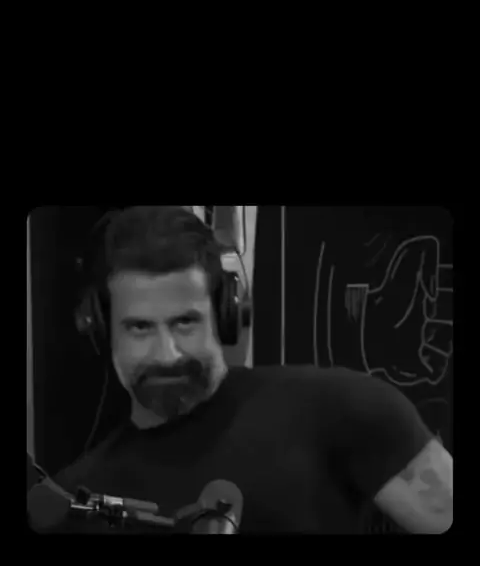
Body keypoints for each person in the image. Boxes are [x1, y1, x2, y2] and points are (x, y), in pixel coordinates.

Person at [50, 205, 453, 535]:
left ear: (226, 316)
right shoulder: (75, 500)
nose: (167, 354)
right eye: (140, 328)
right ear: (100, 329)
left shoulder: (345, 408)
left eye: (185, 322)